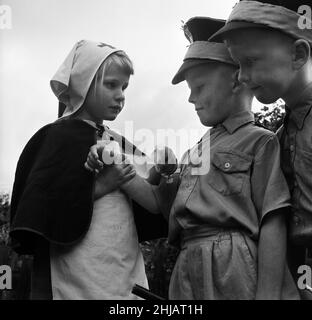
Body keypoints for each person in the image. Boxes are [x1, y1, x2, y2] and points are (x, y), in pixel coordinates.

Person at [86, 17, 299, 299]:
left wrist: (268, 295)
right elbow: (157, 202)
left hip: (232, 268)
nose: (190, 99)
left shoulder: (261, 141)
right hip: (187, 265)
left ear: (236, 81)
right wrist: (114, 160)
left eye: (198, 88)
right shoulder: (196, 150)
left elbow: (273, 220)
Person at [9, 40, 167, 300]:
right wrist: (103, 185)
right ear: (83, 84)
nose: (121, 95)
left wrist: (159, 170)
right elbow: (45, 209)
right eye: (111, 85)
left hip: (122, 260)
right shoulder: (56, 137)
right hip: (79, 265)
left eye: (124, 87)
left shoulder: (117, 140)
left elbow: (150, 199)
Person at [210, 0, 312, 298]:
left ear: (298, 54)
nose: (241, 76)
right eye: (238, 64)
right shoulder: (279, 136)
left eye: (251, 61)